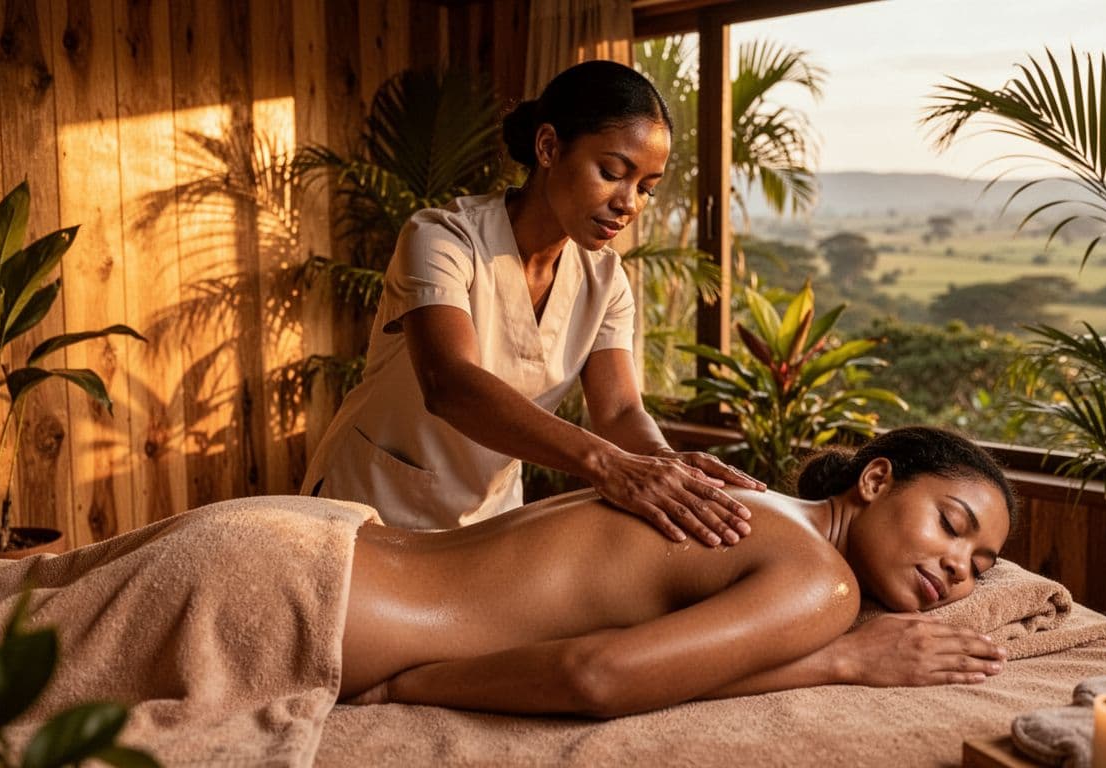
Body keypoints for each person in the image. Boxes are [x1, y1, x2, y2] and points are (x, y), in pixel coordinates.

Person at [302, 59, 762, 547]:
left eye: (646, 187)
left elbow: (621, 411)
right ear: (548, 147)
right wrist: (607, 465)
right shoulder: (442, 238)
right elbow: (449, 383)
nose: (629, 202)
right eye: (611, 172)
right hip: (373, 506)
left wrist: (661, 461)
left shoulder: (606, 282)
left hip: (489, 520)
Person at [339, 427, 1017, 717]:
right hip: (333, 608)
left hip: (333, 541)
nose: (958, 566)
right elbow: (598, 677)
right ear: (875, 480)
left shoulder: (740, 494)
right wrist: (412, 686)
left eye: (980, 568)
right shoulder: (824, 583)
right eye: (951, 526)